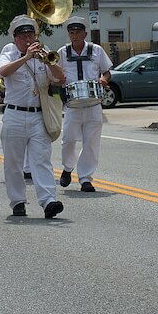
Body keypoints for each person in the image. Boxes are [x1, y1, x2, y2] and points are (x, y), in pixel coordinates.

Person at [0, 15, 66, 218]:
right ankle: (18, 201)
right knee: (13, 162)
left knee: (42, 159)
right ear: (15, 38)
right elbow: (2, 72)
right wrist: (26, 57)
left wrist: (48, 61)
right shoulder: (9, 51)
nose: (28, 39)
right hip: (14, 114)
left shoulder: (43, 53)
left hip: (37, 115)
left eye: (31, 35)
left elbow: (60, 78)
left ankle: (48, 201)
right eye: (23, 36)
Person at [56, 16, 113, 192]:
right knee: (69, 140)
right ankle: (67, 168)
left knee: (91, 142)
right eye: (71, 33)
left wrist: (103, 79)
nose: (74, 36)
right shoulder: (62, 52)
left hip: (93, 103)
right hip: (72, 105)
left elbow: (107, 72)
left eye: (78, 32)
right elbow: (54, 74)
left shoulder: (96, 50)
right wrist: (59, 79)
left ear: (85, 33)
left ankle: (85, 178)